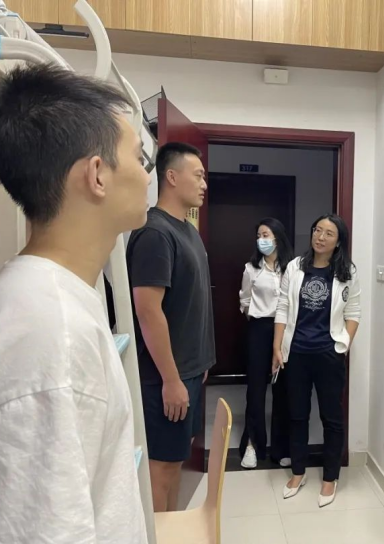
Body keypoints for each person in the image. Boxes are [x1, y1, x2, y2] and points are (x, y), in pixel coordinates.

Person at [0, 65, 149, 543]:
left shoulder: (50, 300)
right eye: (139, 158)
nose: (147, 176)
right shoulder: (49, 332)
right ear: (97, 175)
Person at [127, 142, 215, 513]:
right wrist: (172, 379)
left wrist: (200, 363)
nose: (204, 184)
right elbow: (148, 311)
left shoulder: (187, 230)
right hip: (165, 378)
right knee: (160, 469)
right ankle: (159, 533)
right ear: (172, 176)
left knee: (176, 461)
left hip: (189, 371)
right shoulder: (154, 233)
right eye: (198, 175)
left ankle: (173, 529)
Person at [273, 214, 360, 508]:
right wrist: (277, 346)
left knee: (331, 417)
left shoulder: (347, 271)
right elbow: (283, 306)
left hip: (328, 354)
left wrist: (343, 345)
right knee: (297, 414)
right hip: (296, 352)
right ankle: (298, 472)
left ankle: (329, 477)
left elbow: (354, 312)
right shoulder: (295, 267)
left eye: (328, 233)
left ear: (338, 241)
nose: (320, 237)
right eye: (317, 230)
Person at [239, 218, 294, 470]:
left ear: (278, 238)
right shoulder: (251, 269)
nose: (261, 239)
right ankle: (252, 445)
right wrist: (256, 317)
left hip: (285, 330)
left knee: (283, 389)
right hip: (259, 329)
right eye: (259, 235)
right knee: (256, 389)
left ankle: (281, 448)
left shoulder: (292, 268)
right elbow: (244, 300)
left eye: (266, 235)